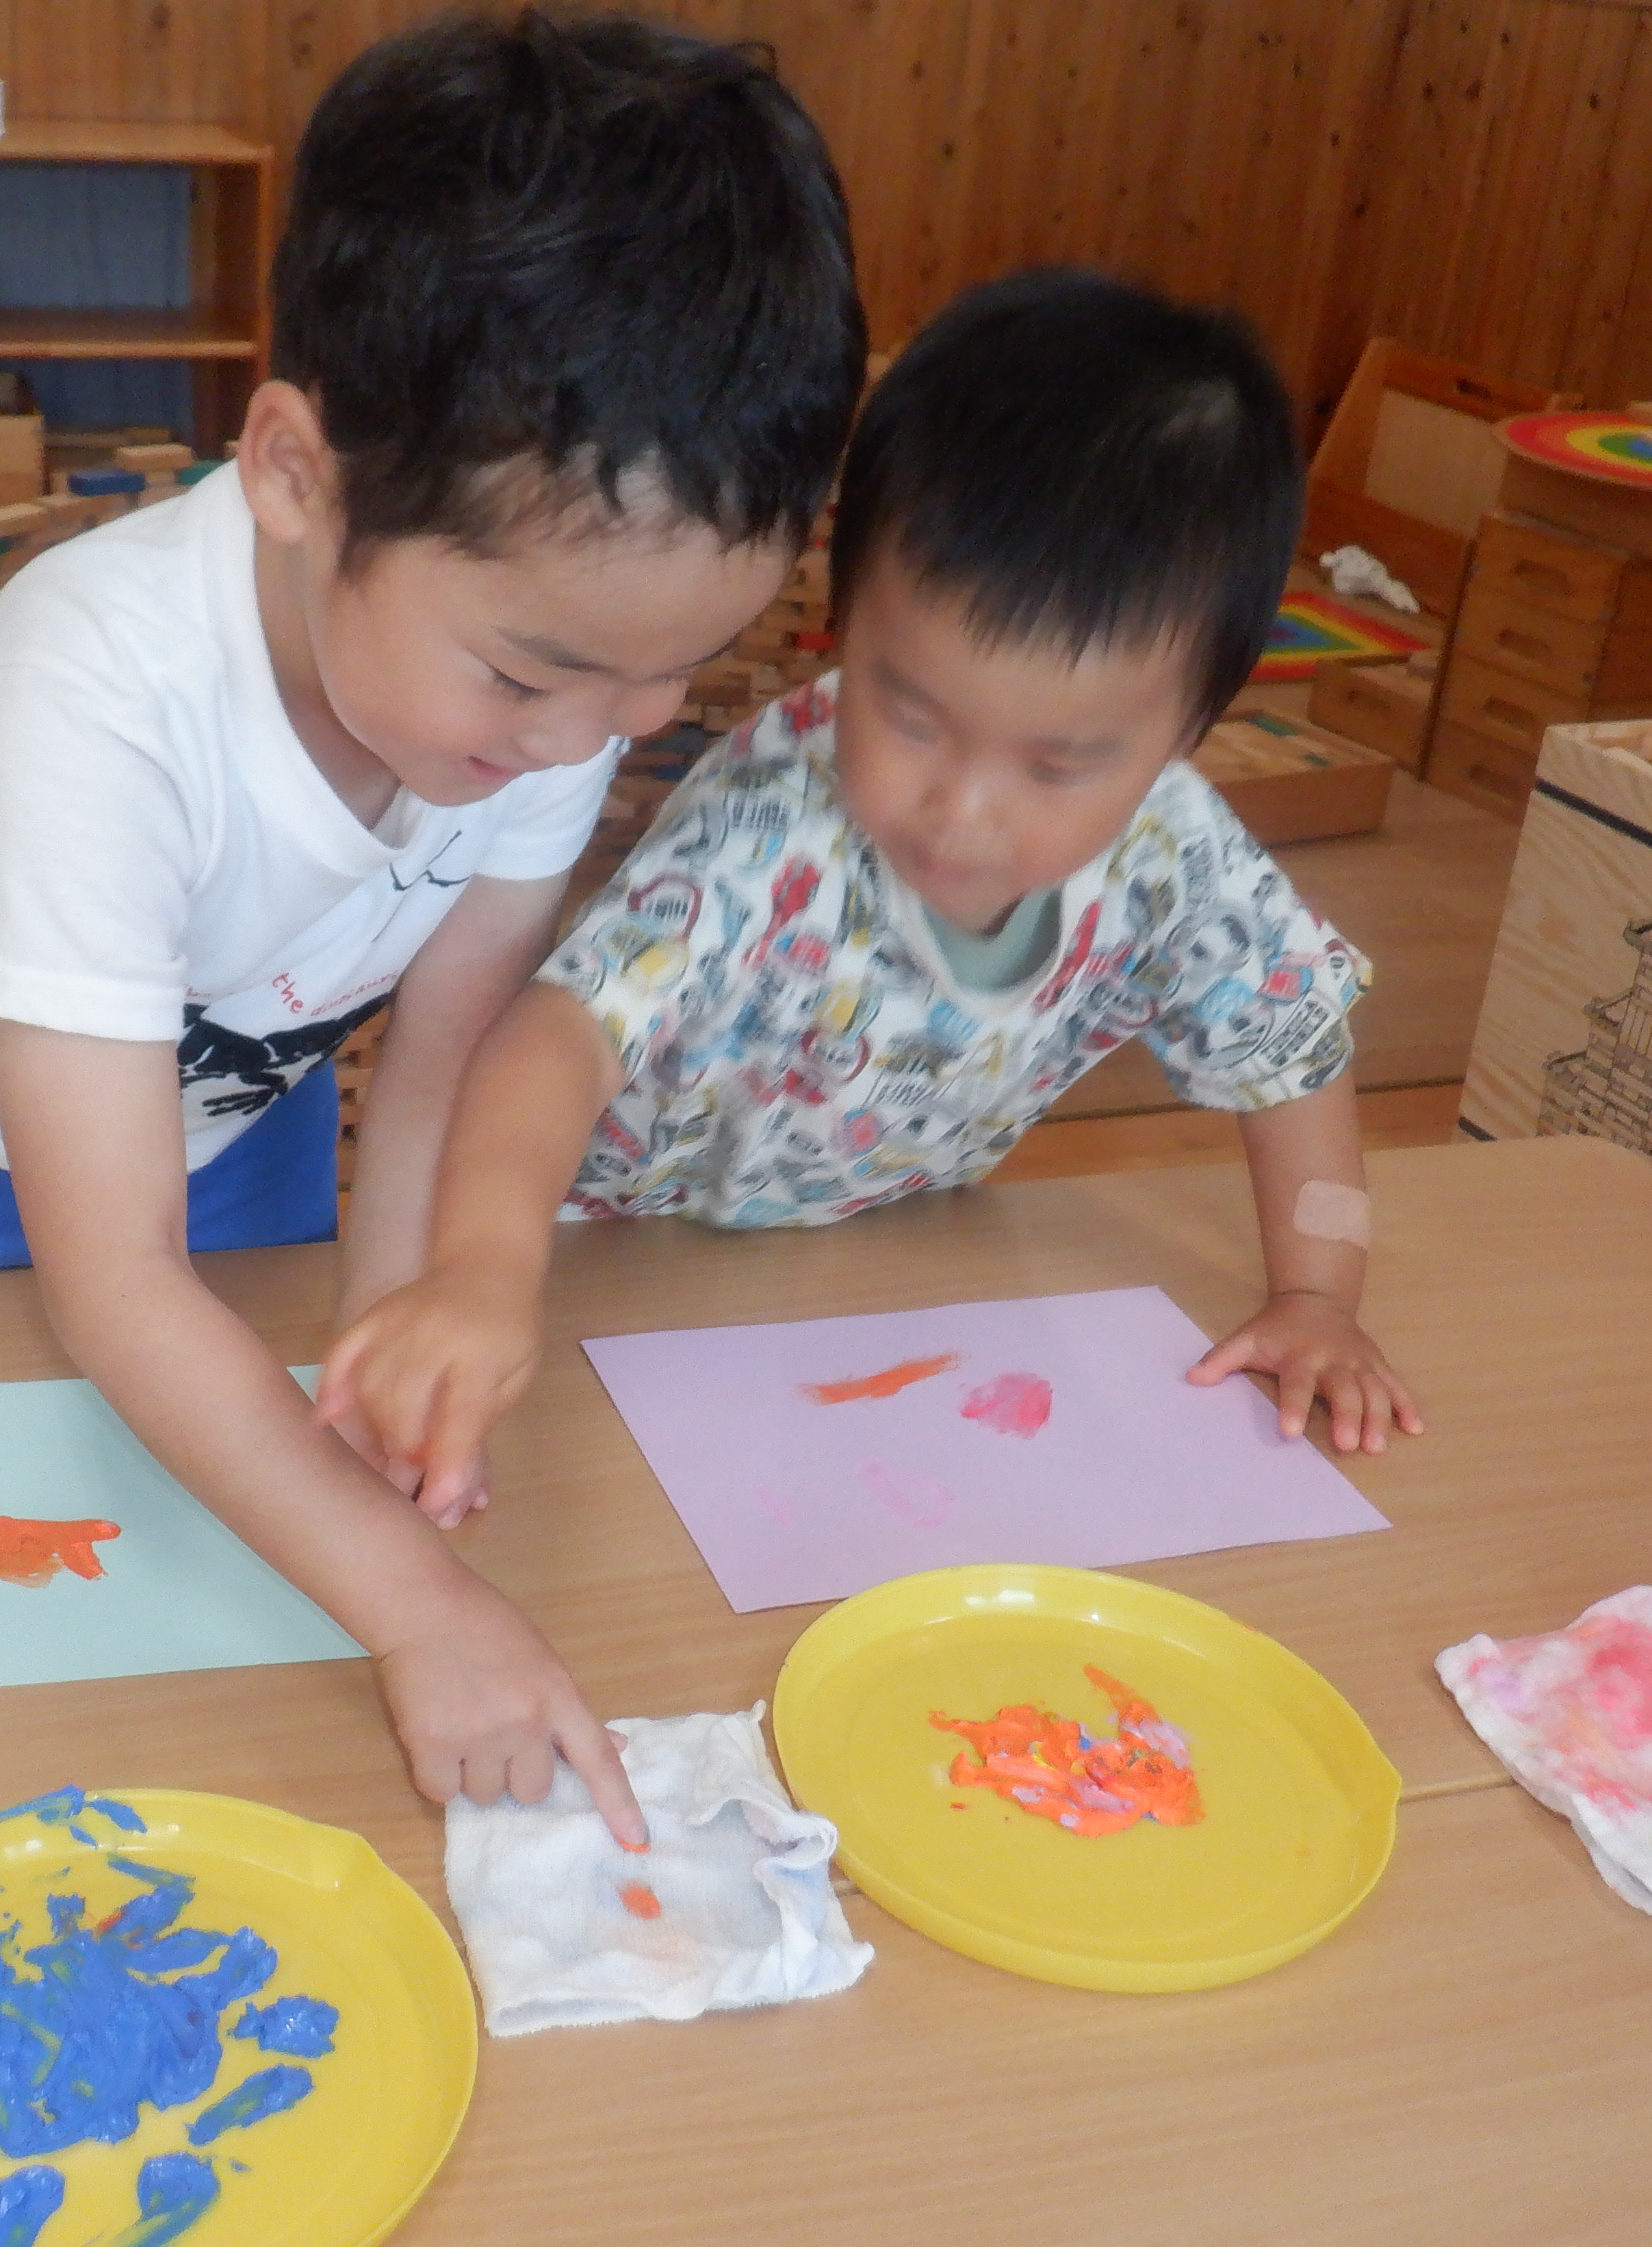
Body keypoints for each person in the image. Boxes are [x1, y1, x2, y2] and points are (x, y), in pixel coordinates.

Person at [0, 11, 866, 1842]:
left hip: (255, 1082)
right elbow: (114, 1276)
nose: (596, 740)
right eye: (535, 676)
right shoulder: (91, 694)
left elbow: (434, 1066)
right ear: (297, 472)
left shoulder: (538, 682)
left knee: (244, 1518)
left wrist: (397, 1336)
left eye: (668, 677)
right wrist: (419, 1604)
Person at [318, 269, 1424, 1525]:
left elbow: (1292, 1046)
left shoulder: (1176, 853)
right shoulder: (773, 831)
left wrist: (1316, 1297)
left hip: (878, 1256)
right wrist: (480, 1273)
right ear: (845, 624)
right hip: (613, 1259)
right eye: (911, 717)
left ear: (1185, 731)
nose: (961, 811)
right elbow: (553, 1040)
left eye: (1056, 766)